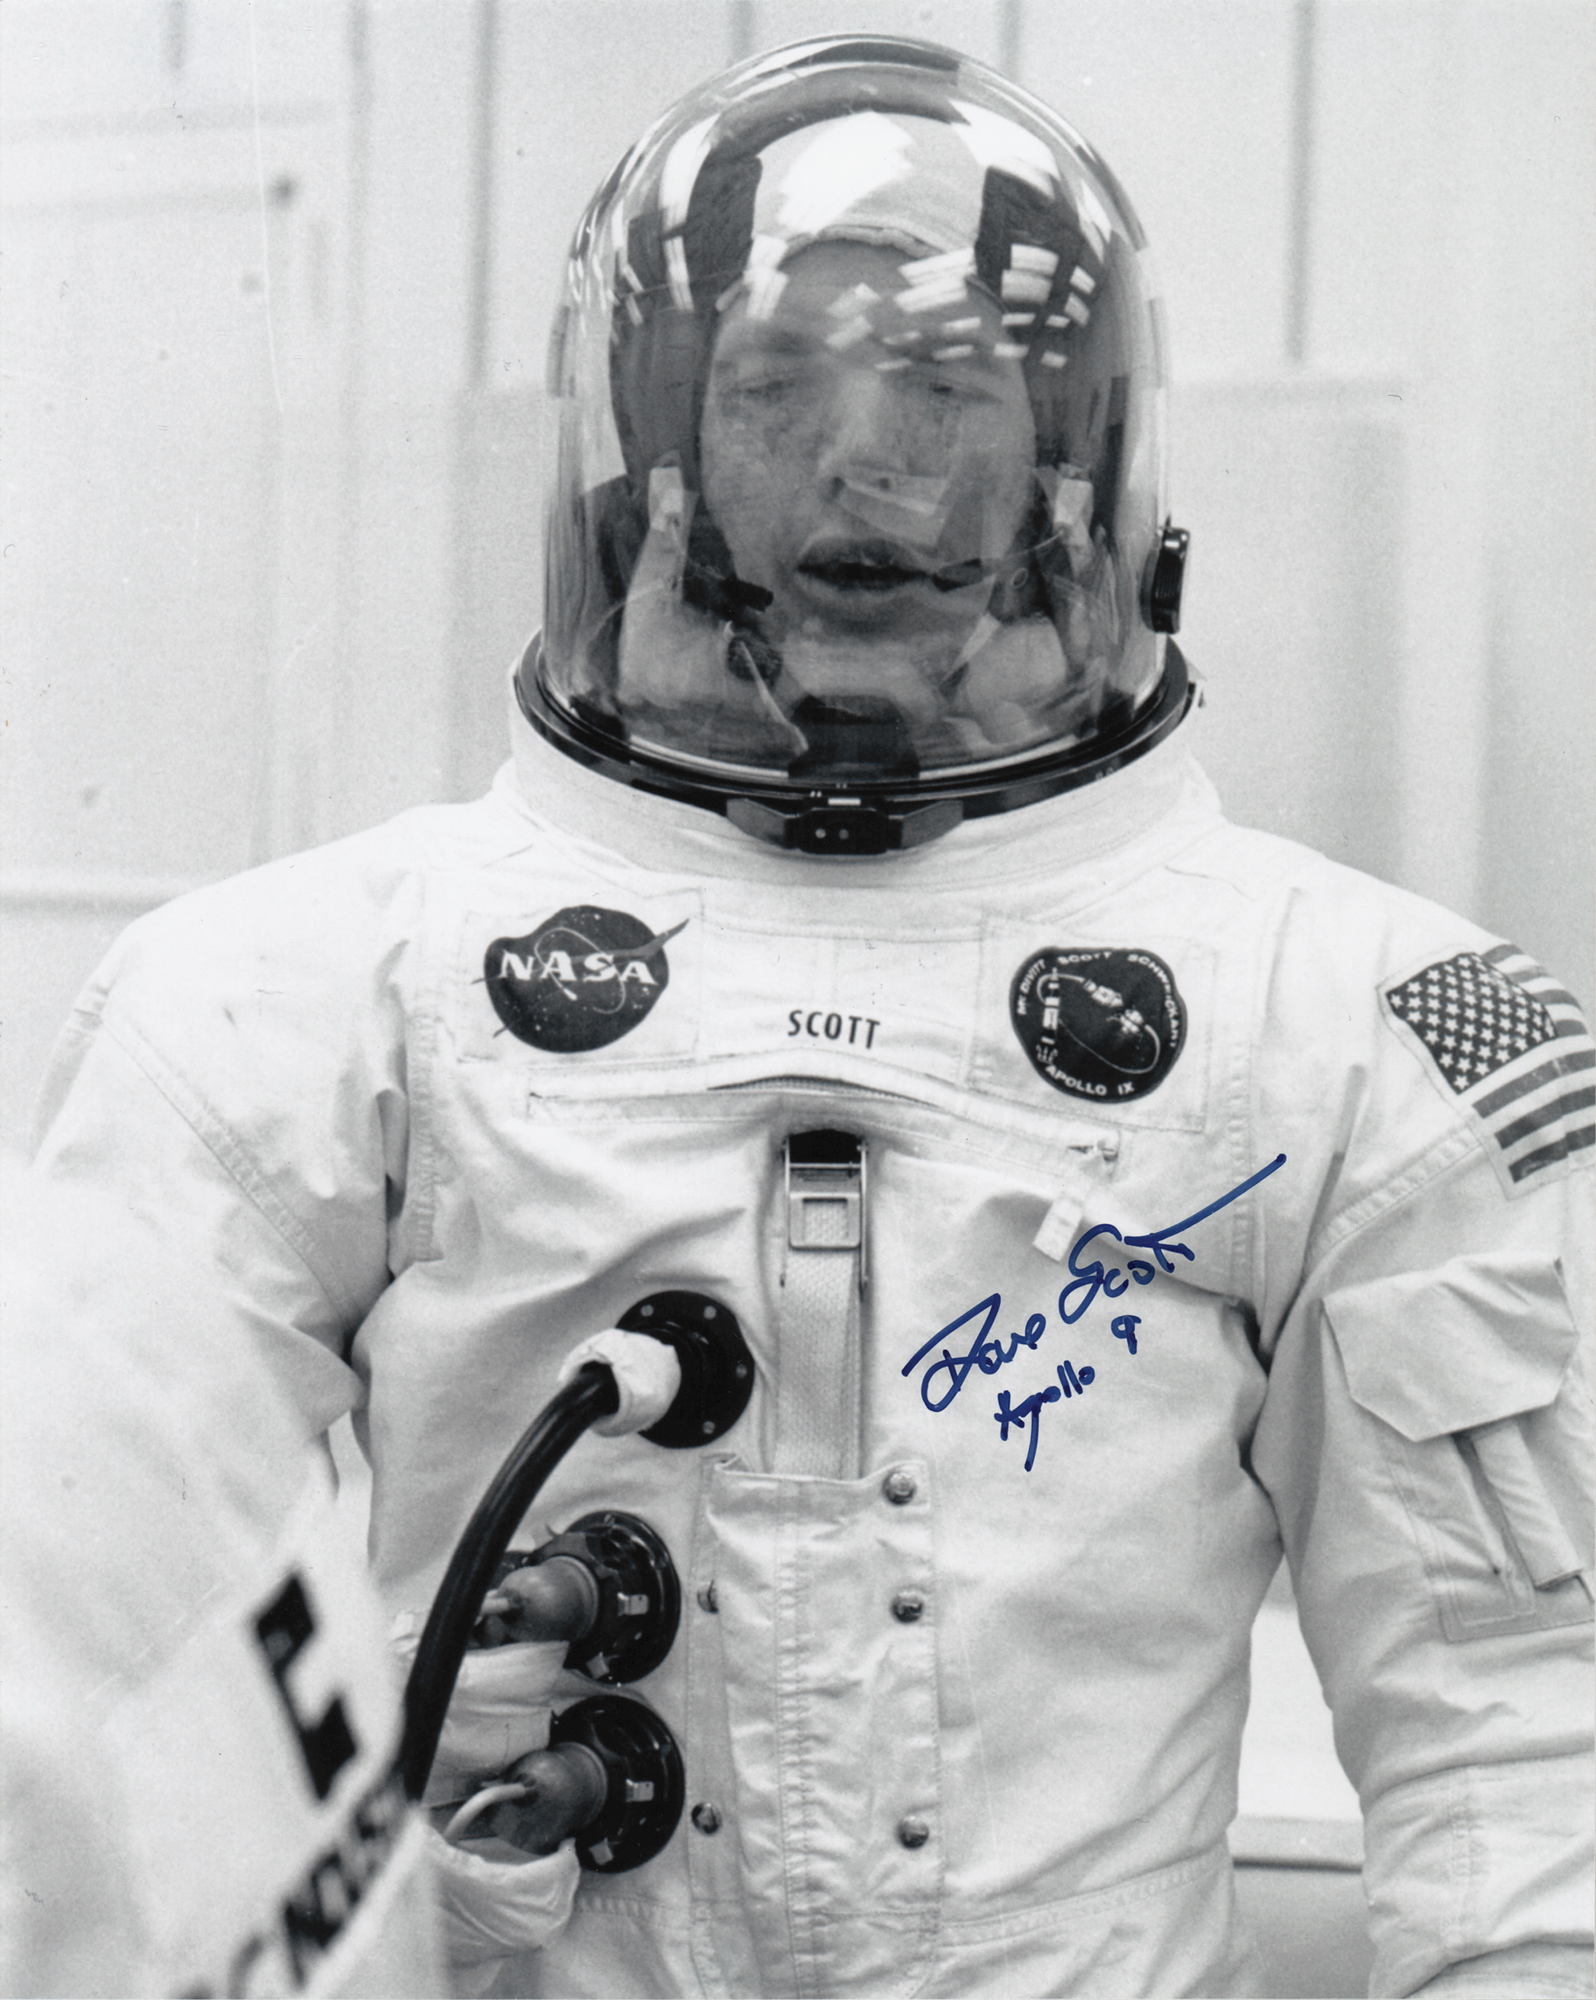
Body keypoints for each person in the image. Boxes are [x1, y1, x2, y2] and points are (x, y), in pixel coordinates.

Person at [30, 35, 1593, 2000]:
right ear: (658, 461)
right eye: (778, 389)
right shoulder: (303, 996)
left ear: (1069, 466)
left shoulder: (1354, 1029)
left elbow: (1523, 1767)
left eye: (945, 388)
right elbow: (91, 1680)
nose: (868, 464)